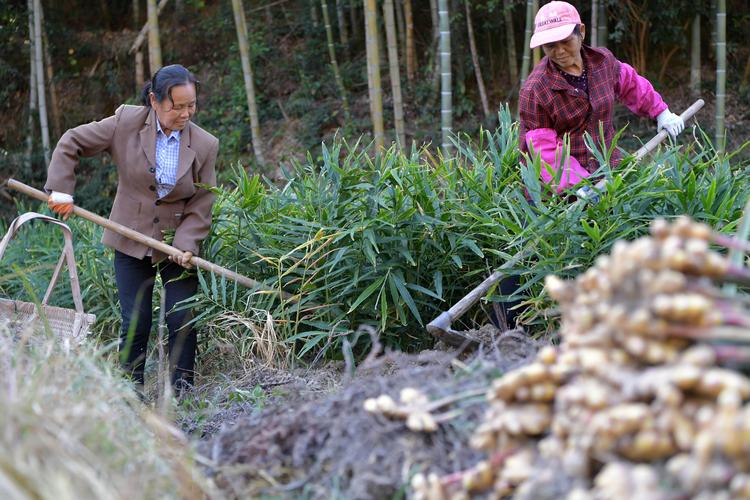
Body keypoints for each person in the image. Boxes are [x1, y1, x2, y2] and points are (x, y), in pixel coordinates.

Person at [45, 64, 219, 395]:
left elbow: (202, 201)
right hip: (130, 236)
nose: (185, 113)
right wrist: (62, 189)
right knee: (136, 320)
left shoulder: (205, 144)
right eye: (176, 106)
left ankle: (183, 391)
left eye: (190, 105)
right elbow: (72, 142)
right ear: (154, 100)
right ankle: (130, 392)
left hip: (177, 242)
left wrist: (187, 244)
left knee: (182, 316)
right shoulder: (126, 122)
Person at [519, 1, 685, 195]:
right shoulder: (536, 89)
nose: (560, 51)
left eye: (565, 41)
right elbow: (543, 148)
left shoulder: (603, 62)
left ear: (581, 32)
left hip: (608, 171)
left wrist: (661, 112)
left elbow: (632, 85)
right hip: (558, 189)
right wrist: (578, 185)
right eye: (551, 46)